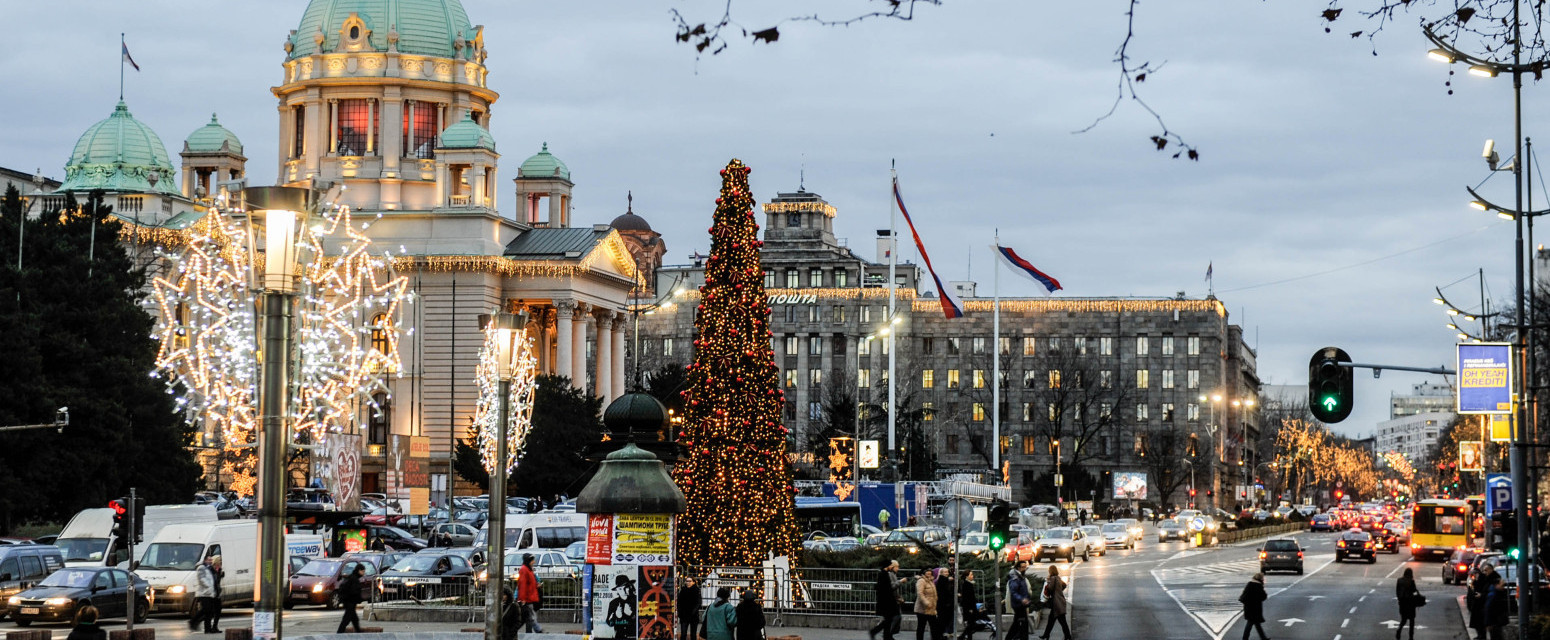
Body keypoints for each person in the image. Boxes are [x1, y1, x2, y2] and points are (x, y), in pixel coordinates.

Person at [870, 560, 902, 640]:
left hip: (886, 600)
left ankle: (885, 635)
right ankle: (881, 633)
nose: (892, 567)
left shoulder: (883, 574)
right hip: (887, 601)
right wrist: (900, 582)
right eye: (891, 565)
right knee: (890, 618)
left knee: (889, 619)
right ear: (888, 566)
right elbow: (889, 588)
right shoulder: (884, 575)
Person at [1038, 566, 1069, 640]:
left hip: (1056, 604)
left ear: (1050, 571)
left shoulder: (1052, 578)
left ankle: (1068, 636)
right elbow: (1064, 585)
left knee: (1062, 622)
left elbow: (1050, 588)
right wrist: (1059, 590)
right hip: (1060, 602)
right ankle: (1046, 635)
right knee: (1051, 621)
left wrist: (1048, 581)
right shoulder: (1058, 578)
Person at [517, 554, 544, 633]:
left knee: (527, 617)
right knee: (530, 617)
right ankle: (538, 630)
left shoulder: (528, 569)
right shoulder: (525, 570)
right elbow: (523, 585)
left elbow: (527, 584)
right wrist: (523, 598)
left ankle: (513, 630)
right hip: (528, 598)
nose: (534, 562)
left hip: (529, 597)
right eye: (532, 560)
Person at [1237, 573, 1268, 640]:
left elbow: (1243, 596)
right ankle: (1245, 638)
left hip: (1248, 607)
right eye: (1263, 578)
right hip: (1255, 608)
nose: (1264, 579)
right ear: (1260, 579)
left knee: (1256, 624)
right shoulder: (1258, 586)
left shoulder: (1249, 584)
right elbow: (1263, 597)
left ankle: (1263, 638)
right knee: (1251, 623)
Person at [337, 563, 366, 633]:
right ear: (359, 570)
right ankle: (339, 633)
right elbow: (354, 591)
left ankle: (359, 633)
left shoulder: (351, 577)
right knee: (346, 620)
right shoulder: (354, 579)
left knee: (354, 620)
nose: (363, 573)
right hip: (350, 602)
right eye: (363, 571)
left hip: (348, 602)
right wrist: (359, 599)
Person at [1006, 562, 1031, 640]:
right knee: (1023, 624)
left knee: (1017, 624)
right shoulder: (1015, 578)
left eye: (1025, 567)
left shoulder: (1020, 576)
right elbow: (1013, 592)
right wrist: (1022, 599)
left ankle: (1010, 638)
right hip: (1019, 605)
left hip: (1022, 604)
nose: (1025, 569)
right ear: (1018, 568)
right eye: (1023, 567)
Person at [1395, 567, 1421, 640]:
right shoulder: (1411, 581)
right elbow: (1414, 591)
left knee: (1403, 619)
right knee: (1412, 620)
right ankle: (1411, 636)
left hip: (1402, 603)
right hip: (1410, 603)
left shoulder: (1399, 580)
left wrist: (1400, 600)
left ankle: (1399, 630)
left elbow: (1397, 591)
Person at [914, 569, 938, 640]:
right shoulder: (921, 581)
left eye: (930, 573)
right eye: (927, 573)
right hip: (923, 609)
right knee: (921, 626)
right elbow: (920, 593)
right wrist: (926, 603)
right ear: (923, 573)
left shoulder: (931, 581)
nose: (929, 574)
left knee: (934, 626)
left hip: (931, 608)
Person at [957, 572, 982, 640]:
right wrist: (970, 608)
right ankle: (964, 637)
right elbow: (968, 598)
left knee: (971, 624)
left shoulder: (968, 584)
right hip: (969, 607)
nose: (972, 576)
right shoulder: (967, 584)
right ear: (966, 576)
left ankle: (964, 636)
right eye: (971, 575)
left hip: (970, 607)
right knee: (971, 624)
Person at [936, 564, 955, 638]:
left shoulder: (945, 580)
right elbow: (944, 592)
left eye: (947, 572)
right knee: (943, 619)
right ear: (941, 573)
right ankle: (943, 632)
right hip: (944, 604)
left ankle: (945, 632)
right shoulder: (943, 580)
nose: (947, 573)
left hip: (945, 603)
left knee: (945, 619)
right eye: (945, 572)